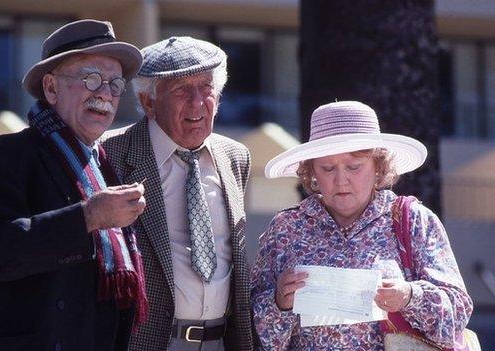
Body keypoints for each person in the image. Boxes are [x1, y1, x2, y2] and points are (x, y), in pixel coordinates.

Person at [0, 19, 148, 351]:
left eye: (115, 84)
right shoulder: (0, 157)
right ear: (51, 88)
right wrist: (87, 217)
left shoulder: (106, 167)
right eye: (91, 79)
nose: (104, 93)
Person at [251, 101, 473, 350]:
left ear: (378, 167)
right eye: (327, 168)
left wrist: (409, 297)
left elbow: (456, 317)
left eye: (354, 167)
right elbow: (252, 335)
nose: (341, 179)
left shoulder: (414, 222)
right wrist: (279, 303)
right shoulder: (286, 229)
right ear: (311, 172)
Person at [102, 36, 254, 351]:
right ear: (148, 101)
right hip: (146, 343)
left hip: (221, 342)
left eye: (206, 88)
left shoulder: (235, 156)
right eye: (182, 89)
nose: (198, 103)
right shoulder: (109, 153)